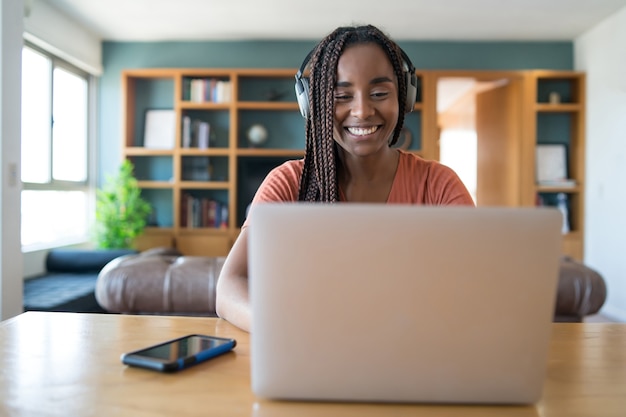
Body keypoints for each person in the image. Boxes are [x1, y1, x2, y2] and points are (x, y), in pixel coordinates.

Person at [216, 24, 474, 332]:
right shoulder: (287, 183)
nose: (362, 111)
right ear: (314, 105)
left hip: (414, 357)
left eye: (379, 93)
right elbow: (229, 287)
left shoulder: (440, 186)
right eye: (341, 95)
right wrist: (287, 328)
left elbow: (474, 287)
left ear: (404, 98)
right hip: (310, 358)